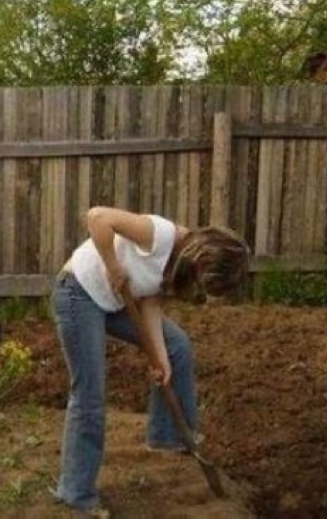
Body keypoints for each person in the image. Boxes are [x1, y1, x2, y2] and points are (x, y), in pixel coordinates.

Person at [50, 206, 250, 518]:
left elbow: (150, 304)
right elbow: (97, 217)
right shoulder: (160, 235)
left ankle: (169, 437)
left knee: (176, 347)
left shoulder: (176, 265)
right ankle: (75, 492)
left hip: (115, 302)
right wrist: (113, 266)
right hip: (78, 293)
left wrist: (159, 358)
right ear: (202, 257)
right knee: (90, 394)